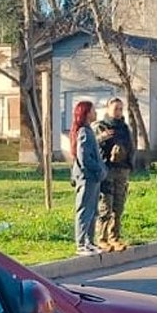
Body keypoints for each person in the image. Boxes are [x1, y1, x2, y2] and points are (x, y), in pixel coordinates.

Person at [95, 97, 136, 252]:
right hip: (107, 170)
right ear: (108, 109)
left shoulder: (124, 128)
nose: (118, 112)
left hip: (122, 169)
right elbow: (92, 144)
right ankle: (102, 238)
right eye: (115, 108)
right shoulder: (101, 127)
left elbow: (131, 146)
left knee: (118, 205)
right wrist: (102, 138)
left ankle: (115, 237)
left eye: (120, 108)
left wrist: (130, 163)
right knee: (106, 204)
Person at [69, 100, 107, 256]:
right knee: (84, 210)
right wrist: (98, 169)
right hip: (87, 177)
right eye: (93, 110)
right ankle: (81, 244)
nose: (95, 113)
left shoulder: (90, 130)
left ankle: (89, 242)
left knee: (93, 210)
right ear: (86, 113)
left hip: (94, 178)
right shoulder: (84, 131)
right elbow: (83, 157)